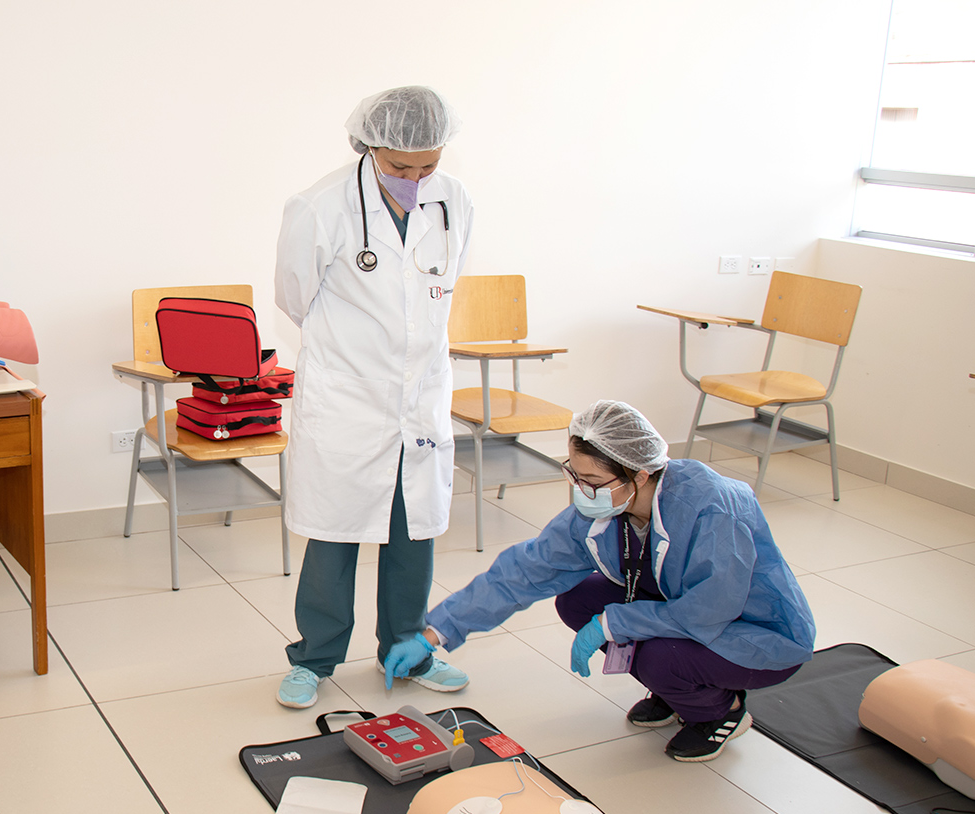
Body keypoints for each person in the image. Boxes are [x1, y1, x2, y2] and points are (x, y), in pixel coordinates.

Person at [385, 400, 816, 762]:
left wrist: (615, 624)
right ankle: (676, 691)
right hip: (679, 608)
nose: (579, 490)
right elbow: (523, 572)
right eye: (573, 474)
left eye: (590, 481)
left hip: (756, 633)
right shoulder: (601, 509)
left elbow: (711, 609)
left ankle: (720, 711)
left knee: (660, 658)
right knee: (577, 599)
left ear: (640, 474)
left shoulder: (715, 507)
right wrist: (434, 633)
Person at [273, 86, 476, 708]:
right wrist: (357, 350)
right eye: (399, 167)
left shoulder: (454, 200)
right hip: (348, 395)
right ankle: (314, 657)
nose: (416, 179)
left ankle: (406, 646)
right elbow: (291, 297)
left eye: (427, 166)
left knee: (412, 529)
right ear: (369, 145)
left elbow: (447, 278)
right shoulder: (320, 204)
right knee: (334, 529)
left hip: (420, 391)